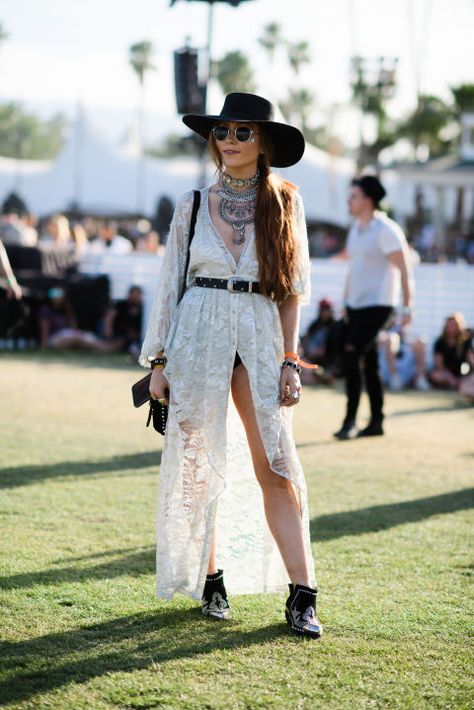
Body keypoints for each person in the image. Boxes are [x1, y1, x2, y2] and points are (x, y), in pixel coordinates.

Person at [139, 93, 322, 639]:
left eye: (244, 132)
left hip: (261, 336)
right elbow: (171, 284)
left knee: (277, 465)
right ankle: (211, 579)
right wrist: (159, 362)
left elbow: (292, 291)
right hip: (196, 335)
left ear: (263, 142)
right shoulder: (192, 203)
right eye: (223, 131)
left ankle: (302, 594)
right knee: (201, 462)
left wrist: (291, 359)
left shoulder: (287, 202)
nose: (231, 140)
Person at [334, 175, 414, 440]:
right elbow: (352, 268)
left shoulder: (386, 230)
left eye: (353, 195)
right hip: (356, 306)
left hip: (379, 306)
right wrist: (345, 301)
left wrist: (407, 308)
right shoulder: (356, 229)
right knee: (369, 363)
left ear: (368, 200)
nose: (349, 200)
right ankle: (377, 421)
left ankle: (349, 421)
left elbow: (404, 269)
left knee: (351, 353)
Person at [39, 287, 116, 352]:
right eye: (53, 294)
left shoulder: (66, 309)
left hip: (67, 335)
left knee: (84, 338)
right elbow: (45, 330)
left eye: (59, 293)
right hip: (54, 339)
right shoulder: (45, 310)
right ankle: (106, 348)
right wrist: (44, 346)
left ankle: (106, 346)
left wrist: (69, 310)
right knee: (78, 340)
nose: (56, 297)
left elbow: (73, 327)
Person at [299, 298, 339, 384]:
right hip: (308, 359)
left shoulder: (335, 326)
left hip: (324, 362)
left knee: (312, 372)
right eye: (322, 309)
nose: (324, 312)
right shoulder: (314, 325)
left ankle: (323, 377)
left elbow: (328, 349)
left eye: (326, 309)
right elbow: (305, 339)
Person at [428, 313, 473, 390]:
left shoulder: (466, 341)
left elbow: (471, 359)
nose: (451, 329)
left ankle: (460, 385)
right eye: (449, 326)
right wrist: (451, 379)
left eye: (454, 326)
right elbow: (440, 365)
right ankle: (454, 385)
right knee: (435, 375)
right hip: (447, 374)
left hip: (463, 374)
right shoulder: (440, 342)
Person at [378, 325, 429, 391]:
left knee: (421, 342)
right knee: (392, 338)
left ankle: (420, 379)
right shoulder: (386, 331)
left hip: (405, 370)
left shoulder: (411, 332)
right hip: (388, 371)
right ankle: (394, 379)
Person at [103, 285, 143, 356]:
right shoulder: (120, 305)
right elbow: (109, 318)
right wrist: (108, 332)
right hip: (117, 335)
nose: (135, 297)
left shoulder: (143, 310)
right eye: (133, 294)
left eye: (137, 294)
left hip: (132, 339)